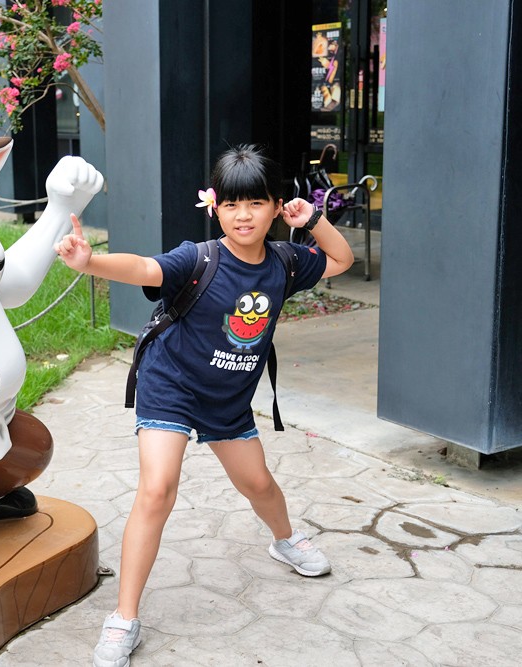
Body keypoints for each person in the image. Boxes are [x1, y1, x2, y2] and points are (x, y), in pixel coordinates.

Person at [54, 145, 355, 667]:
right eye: (233, 204)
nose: (244, 215)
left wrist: (313, 220)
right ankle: (124, 618)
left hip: (228, 400)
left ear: (276, 205)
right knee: (157, 488)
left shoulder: (284, 263)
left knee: (258, 484)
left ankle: (285, 540)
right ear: (214, 206)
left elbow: (341, 261)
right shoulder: (198, 259)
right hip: (171, 385)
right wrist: (91, 262)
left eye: (258, 203)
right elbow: (146, 268)